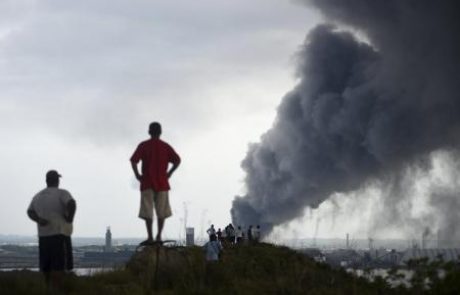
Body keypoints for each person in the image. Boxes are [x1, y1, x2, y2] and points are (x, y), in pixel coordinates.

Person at [131, 122, 181, 245]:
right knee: (162, 211)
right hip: (162, 183)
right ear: (160, 132)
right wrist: (169, 173)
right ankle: (158, 236)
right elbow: (177, 160)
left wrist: (137, 175)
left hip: (147, 182)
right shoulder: (165, 146)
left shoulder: (144, 146)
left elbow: (133, 161)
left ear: (149, 132)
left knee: (147, 211)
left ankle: (150, 237)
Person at [27, 170, 76, 290]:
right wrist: (69, 218)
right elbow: (72, 203)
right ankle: (58, 290)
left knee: (46, 267)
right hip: (60, 234)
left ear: (46, 181)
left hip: (43, 236)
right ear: (57, 180)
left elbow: (30, 211)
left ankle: (48, 289)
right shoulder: (62, 193)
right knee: (60, 266)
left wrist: (39, 220)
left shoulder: (38, 196)